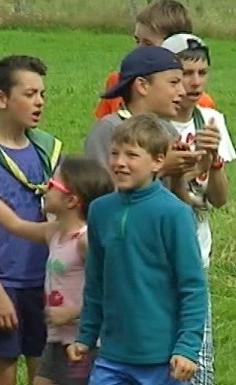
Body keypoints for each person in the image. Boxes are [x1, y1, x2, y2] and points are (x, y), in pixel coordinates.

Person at [68, 114, 207, 385]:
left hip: (161, 359)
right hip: (112, 355)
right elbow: (95, 280)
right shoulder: (100, 210)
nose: (120, 163)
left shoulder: (174, 214)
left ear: (157, 161)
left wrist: (187, 348)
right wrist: (86, 335)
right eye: (114, 153)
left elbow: (192, 287)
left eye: (131, 155)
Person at [0, 156, 114, 385]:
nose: (46, 186)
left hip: (84, 343)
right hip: (56, 341)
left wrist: (72, 313)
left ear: (72, 200)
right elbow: (15, 225)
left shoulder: (84, 241)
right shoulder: (53, 232)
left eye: (53, 184)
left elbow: (111, 291)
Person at [0, 55, 62, 385]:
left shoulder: (48, 151)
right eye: (30, 94)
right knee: (2, 371)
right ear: (1, 99)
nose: (39, 102)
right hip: (2, 283)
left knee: (45, 373)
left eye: (42, 95)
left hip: (46, 284)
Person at [163, 33, 236, 385]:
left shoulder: (210, 121)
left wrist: (214, 162)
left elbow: (219, 200)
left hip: (196, 250)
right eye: (185, 73)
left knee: (196, 362)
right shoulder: (151, 124)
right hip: (157, 252)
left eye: (202, 73)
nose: (194, 83)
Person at [83, 45, 205, 185]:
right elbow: (100, 197)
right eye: (174, 83)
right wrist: (162, 168)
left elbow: (181, 204)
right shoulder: (109, 129)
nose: (182, 91)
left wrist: (180, 174)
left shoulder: (168, 131)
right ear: (142, 85)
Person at [94, 0, 215, 120]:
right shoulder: (118, 81)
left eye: (148, 44)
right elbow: (102, 131)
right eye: (137, 41)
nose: (137, 50)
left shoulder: (200, 103)